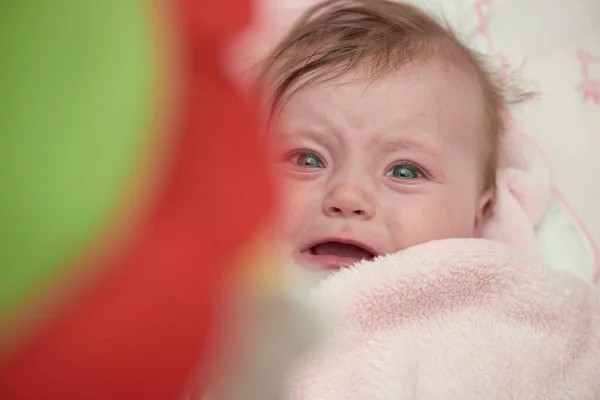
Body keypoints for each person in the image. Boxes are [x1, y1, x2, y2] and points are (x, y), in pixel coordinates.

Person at [258, 0, 517, 283]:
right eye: (308, 160)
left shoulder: (500, 305)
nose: (347, 197)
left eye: (404, 171)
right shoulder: (230, 293)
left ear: (479, 217)